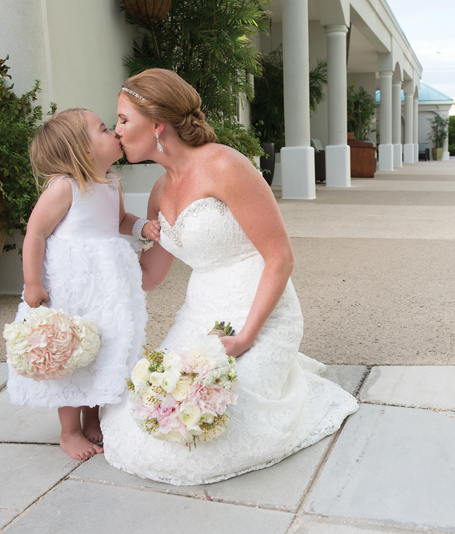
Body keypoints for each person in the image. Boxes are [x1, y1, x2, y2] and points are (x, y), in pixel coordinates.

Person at [101, 69, 359, 485]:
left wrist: (245, 337)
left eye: (124, 120)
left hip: (260, 309)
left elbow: (280, 258)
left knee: (226, 420)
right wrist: (97, 242)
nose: (117, 132)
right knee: (150, 410)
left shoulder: (225, 165)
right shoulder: (158, 194)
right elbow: (150, 277)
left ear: (157, 124)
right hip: (200, 313)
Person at [8, 108, 159, 460]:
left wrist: (141, 228)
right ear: (82, 150)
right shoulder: (65, 188)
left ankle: (92, 415)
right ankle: (69, 430)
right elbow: (36, 232)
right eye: (105, 129)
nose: (114, 132)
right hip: (73, 284)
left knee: (103, 343)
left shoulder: (111, 183)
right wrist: (32, 283)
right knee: (72, 352)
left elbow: (119, 220)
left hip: (107, 285)